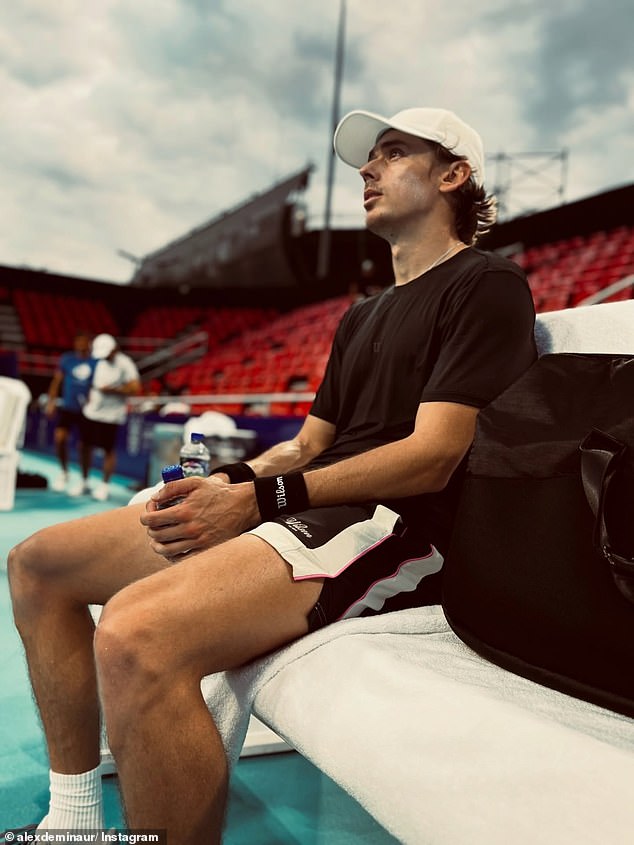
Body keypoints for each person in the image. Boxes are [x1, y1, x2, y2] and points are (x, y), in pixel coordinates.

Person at [7, 107, 537, 843]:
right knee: (38, 564)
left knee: (136, 633)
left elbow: (434, 453)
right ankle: (72, 821)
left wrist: (264, 496)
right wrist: (227, 483)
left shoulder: (487, 284)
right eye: (368, 159)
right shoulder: (362, 316)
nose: (368, 170)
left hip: (401, 525)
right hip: (310, 508)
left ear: (454, 174)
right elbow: (302, 445)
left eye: (393, 152)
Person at [71, 333, 141, 501]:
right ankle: (84, 481)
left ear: (114, 349)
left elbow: (134, 388)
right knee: (84, 446)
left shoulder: (125, 364)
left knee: (108, 451)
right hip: (91, 412)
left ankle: (104, 486)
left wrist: (113, 390)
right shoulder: (97, 362)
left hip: (111, 416)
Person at [45, 331, 97, 492]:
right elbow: (57, 381)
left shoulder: (95, 362)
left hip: (87, 411)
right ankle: (64, 472)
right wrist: (51, 401)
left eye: (84, 342)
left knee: (84, 446)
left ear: (89, 344)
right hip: (68, 408)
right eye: (78, 342)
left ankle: (85, 479)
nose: (81, 345)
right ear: (75, 344)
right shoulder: (67, 359)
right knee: (60, 438)